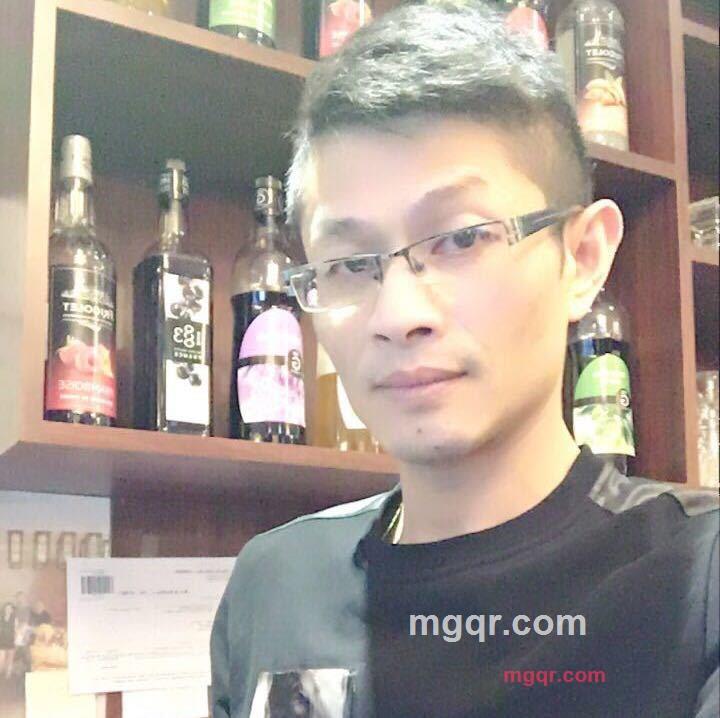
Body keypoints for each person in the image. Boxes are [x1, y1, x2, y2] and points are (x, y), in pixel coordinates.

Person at [210, 2, 719, 717]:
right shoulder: (274, 586)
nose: (398, 315)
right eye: (350, 263)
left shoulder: (696, 577)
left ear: (581, 258)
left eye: (461, 239)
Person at [0, 603, 16, 679]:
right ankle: (1, 673)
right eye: (7, 608)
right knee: (1, 659)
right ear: (4, 609)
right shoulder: (1, 618)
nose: (8, 610)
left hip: (11, 641)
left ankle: (8, 674)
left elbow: (16, 630)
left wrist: (16, 640)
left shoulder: (14, 619)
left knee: (10, 659)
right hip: (2, 641)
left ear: (12, 610)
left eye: (10, 608)